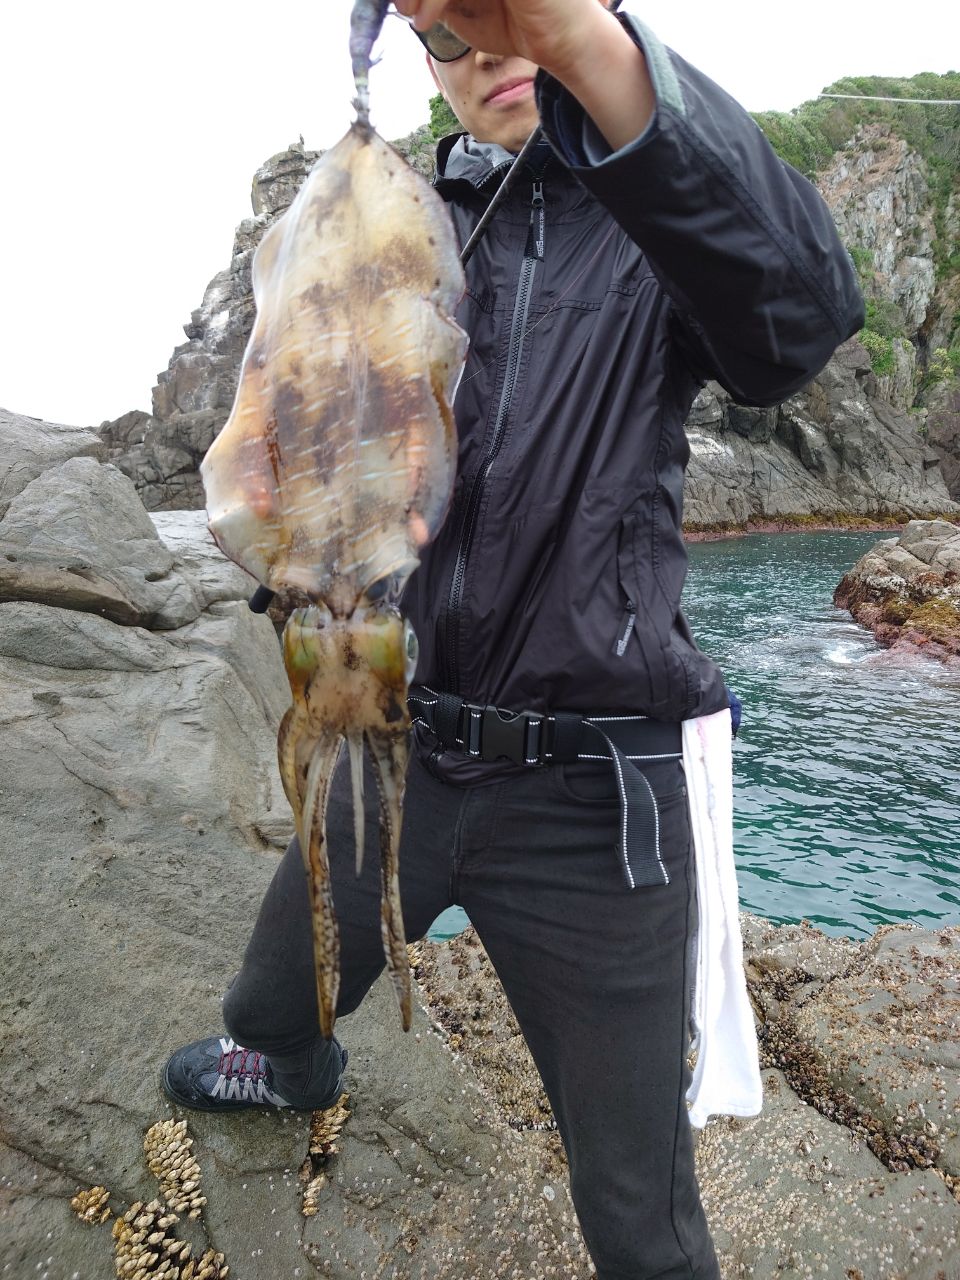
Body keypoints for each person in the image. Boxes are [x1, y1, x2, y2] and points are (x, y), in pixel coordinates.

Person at [163, 2, 864, 1276]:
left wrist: (587, 46)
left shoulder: (664, 223)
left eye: (511, 16)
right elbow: (316, 439)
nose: (488, 51)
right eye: (449, 31)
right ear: (420, 56)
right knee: (269, 1000)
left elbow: (803, 318)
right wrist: (287, 541)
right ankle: (295, 1063)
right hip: (399, 736)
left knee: (637, 1211)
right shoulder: (392, 230)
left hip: (598, 792)